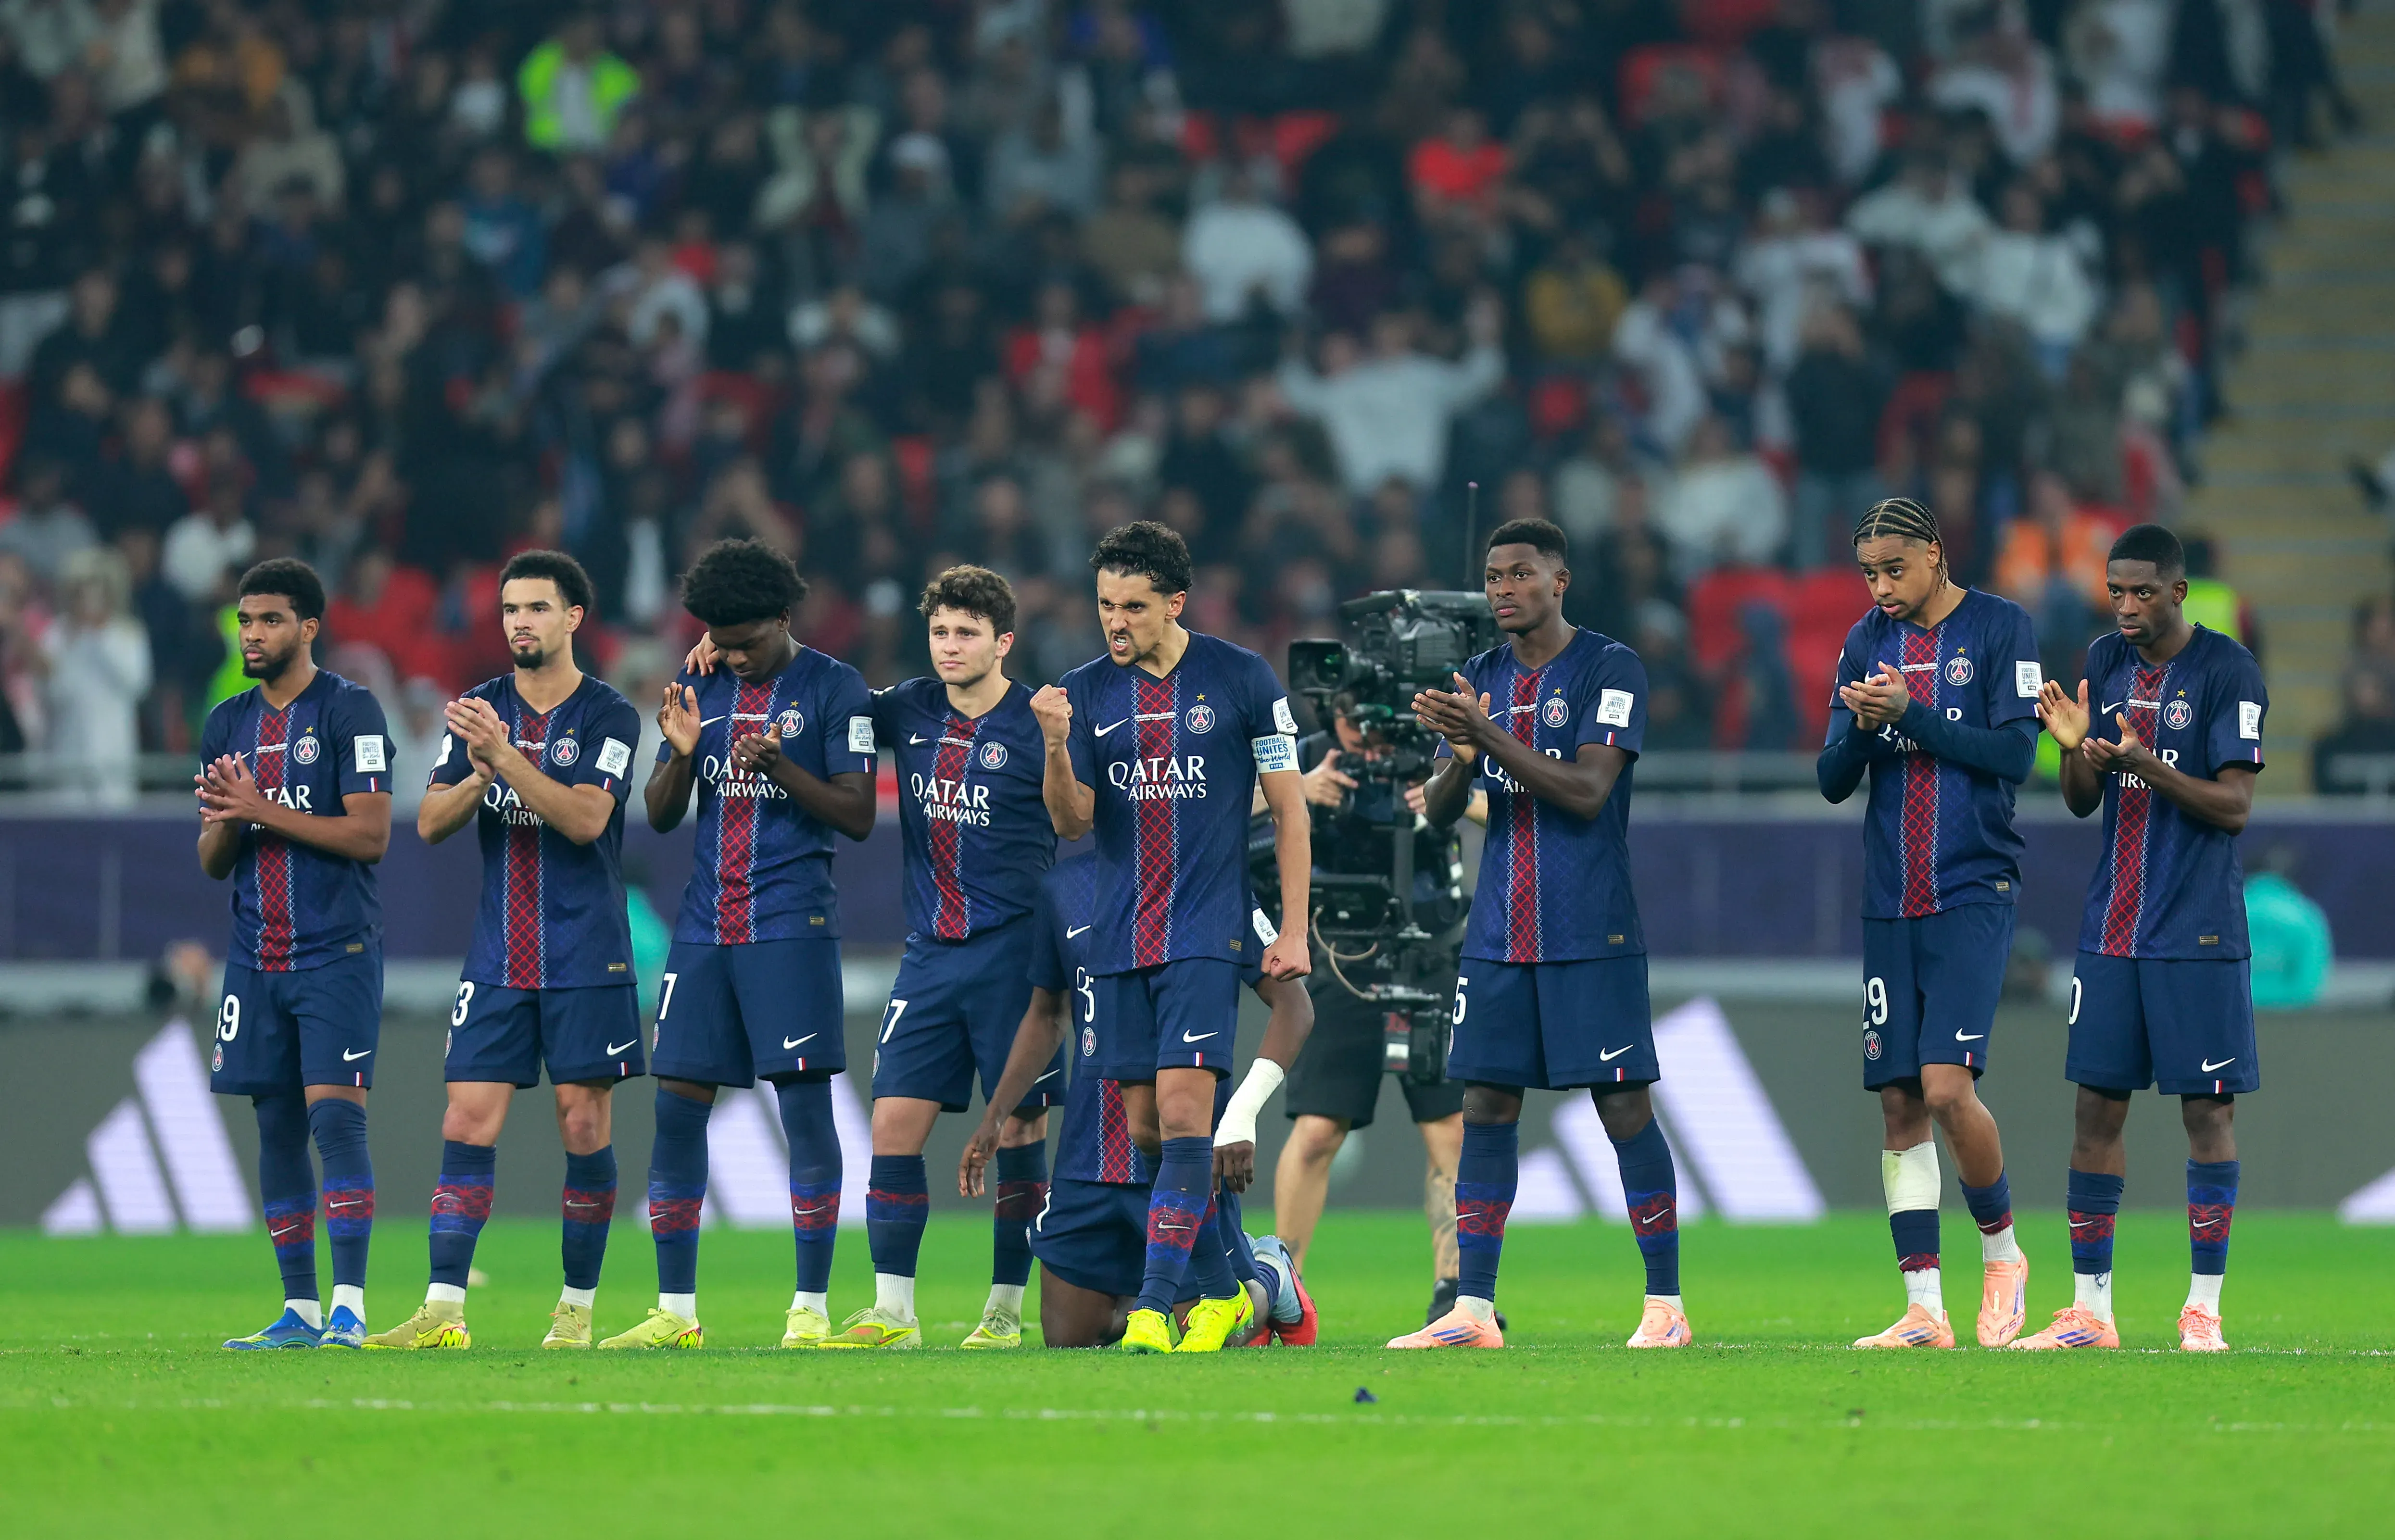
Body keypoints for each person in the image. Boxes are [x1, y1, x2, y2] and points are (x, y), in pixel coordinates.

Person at [680, 567, 1059, 1349]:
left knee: (1020, 1129)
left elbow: (1083, 818)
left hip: (1015, 953)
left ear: (1003, 642)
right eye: (941, 632)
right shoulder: (908, 707)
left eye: (967, 633)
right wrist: (730, 641)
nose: (950, 647)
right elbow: (819, 685)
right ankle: (895, 1310)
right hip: (930, 952)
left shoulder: (1038, 721)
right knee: (891, 1125)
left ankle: (1005, 1309)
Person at [1392, 517, 1689, 1352]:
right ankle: (1474, 1309)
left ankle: (1665, 1303)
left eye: (1521, 573)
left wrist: (1485, 734)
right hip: (1498, 930)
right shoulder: (1480, 675)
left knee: (1623, 1103)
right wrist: (1457, 751)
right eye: (1493, 575)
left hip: (1590, 925)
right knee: (1485, 1102)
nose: (1502, 589)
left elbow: (1590, 789)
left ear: (1560, 581)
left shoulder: (1608, 665)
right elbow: (1444, 813)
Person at [1033, 520, 1312, 1354]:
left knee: (1189, 1118)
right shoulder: (1085, 690)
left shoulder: (1241, 677)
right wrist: (1053, 744)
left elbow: (1291, 807)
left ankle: (1157, 1307)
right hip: (1120, 938)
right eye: (1105, 606)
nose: (1115, 622)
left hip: (1204, 925)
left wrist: (1293, 928)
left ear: (1175, 603)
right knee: (1151, 1130)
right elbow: (1074, 819)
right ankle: (1241, 1284)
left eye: (1134, 607)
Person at [368, 551, 645, 1352]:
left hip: (588, 955)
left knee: (583, 1123)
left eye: (536, 608)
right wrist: (482, 767)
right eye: (510, 609)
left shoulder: (608, 717)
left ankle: (576, 1311)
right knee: (466, 1118)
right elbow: (429, 822)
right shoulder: (481, 709)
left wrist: (505, 758)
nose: (520, 622)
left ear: (572, 619)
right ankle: (444, 1308)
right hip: (498, 956)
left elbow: (586, 818)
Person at [603, 539, 875, 1350]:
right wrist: (682, 755)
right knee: (677, 1108)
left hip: (790, 924)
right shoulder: (700, 685)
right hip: (704, 928)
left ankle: (810, 1308)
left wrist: (783, 768)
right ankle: (675, 1311)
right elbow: (656, 812)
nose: (734, 652)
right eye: (720, 637)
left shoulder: (835, 688)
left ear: (784, 619)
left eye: (748, 638)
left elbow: (857, 814)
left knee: (804, 1109)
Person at [2027, 524, 2267, 1353]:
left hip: (2195, 927)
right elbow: (2081, 799)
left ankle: (2203, 1309)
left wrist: (2144, 761)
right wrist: (2076, 754)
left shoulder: (2229, 669)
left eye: (2141, 591)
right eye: (2114, 590)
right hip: (2113, 927)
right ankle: (2090, 1310)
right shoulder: (2104, 661)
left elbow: (2235, 806)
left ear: (2177, 591)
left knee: (2207, 1112)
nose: (2125, 606)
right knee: (2095, 1110)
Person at [1816, 498, 2040, 1352]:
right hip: (1890, 896)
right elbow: (1834, 777)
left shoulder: (1998, 628)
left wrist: (1909, 714)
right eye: (1869, 573)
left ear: (1936, 556)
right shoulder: (1866, 639)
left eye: (1895, 569)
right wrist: (1867, 729)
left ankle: (2004, 1252)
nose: (1882, 587)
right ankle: (1923, 1308)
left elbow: (2018, 755)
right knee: (1900, 1101)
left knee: (1948, 1087)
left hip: (1972, 886)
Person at [960, 851, 1318, 1351]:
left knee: (1222, 1334)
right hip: (1089, 1159)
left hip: (1181, 1154)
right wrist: (995, 1114)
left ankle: (1271, 1274)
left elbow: (1294, 1004)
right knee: (1068, 1337)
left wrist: (1241, 1112)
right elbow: (1046, 1014)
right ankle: (1149, 1296)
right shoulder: (1062, 888)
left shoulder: (1206, 876)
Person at [196, 559, 394, 1350]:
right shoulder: (225, 723)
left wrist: (260, 808)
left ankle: (350, 1306)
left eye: (270, 620)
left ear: (309, 627)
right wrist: (232, 818)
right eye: (245, 620)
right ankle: (300, 1310)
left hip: (334, 951)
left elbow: (371, 834)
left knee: (336, 1123)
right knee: (274, 1128)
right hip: (254, 957)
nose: (252, 634)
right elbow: (212, 859)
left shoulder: (352, 711)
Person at [1262, 697, 1489, 1326]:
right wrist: (1297, 791)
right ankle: (1284, 1284)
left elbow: (1519, 810)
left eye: (1372, 723)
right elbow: (1217, 809)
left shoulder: (1436, 750)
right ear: (1329, 715)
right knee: (1316, 1130)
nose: (1362, 738)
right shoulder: (1305, 757)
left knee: (1450, 1129)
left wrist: (1450, 789)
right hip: (1340, 953)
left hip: (1432, 947)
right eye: (1349, 723)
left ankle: (1458, 1290)